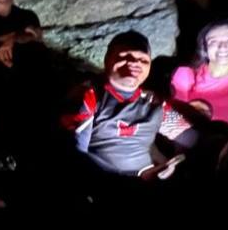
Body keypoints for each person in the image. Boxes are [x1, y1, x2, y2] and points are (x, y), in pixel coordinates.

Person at [64, 31, 190, 179]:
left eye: (143, 59)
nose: (135, 62)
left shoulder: (153, 102)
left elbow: (189, 136)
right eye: (125, 56)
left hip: (150, 178)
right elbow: (76, 155)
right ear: (107, 59)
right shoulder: (90, 95)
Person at [171, 21, 228, 127]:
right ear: (205, 49)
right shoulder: (186, 75)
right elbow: (171, 122)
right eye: (213, 42)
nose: (222, 47)